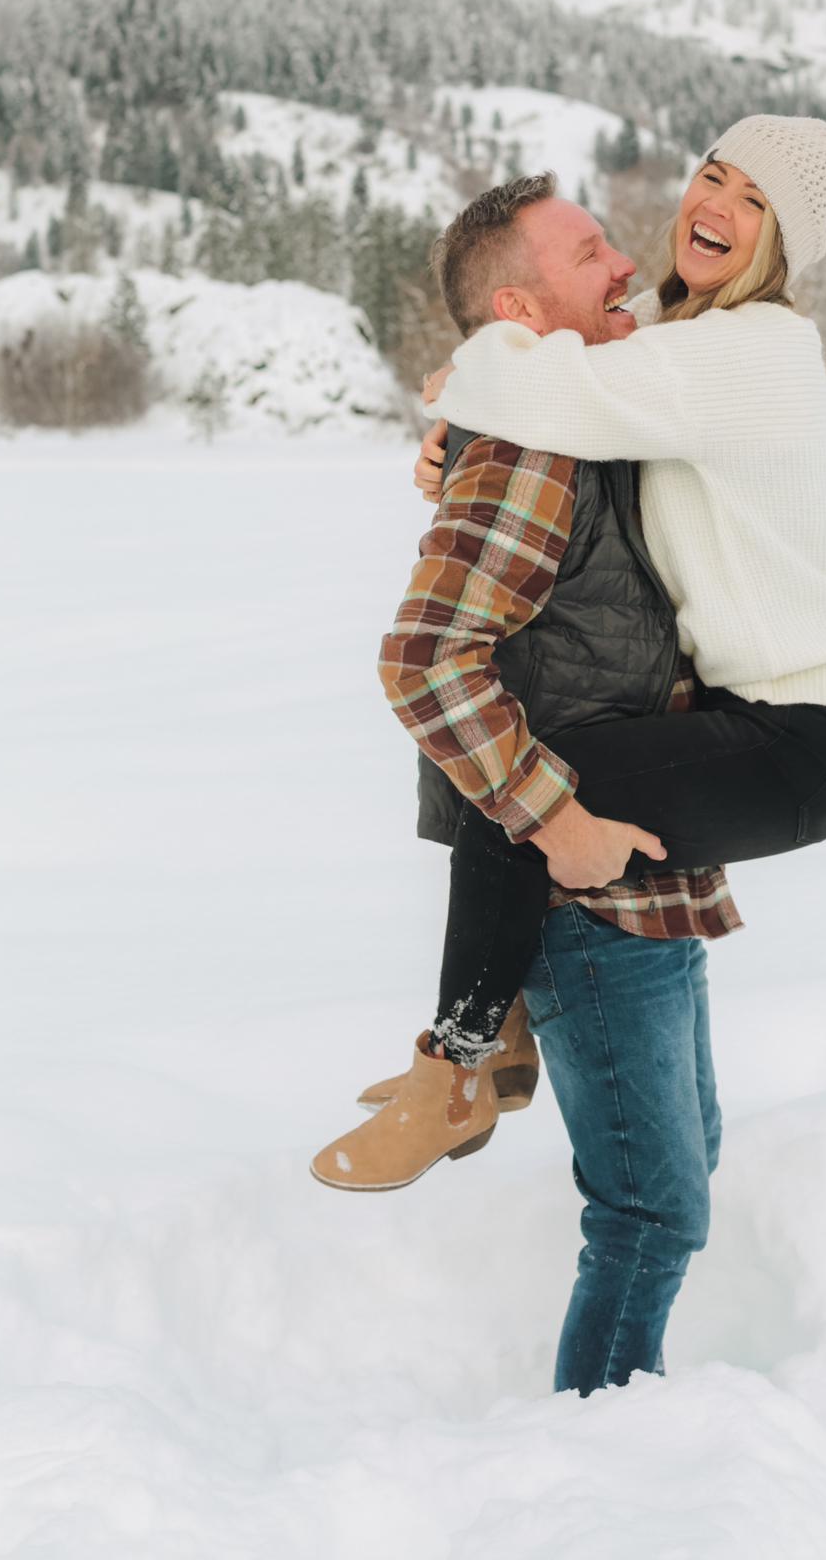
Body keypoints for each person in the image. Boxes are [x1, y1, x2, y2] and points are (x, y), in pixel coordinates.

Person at [313, 171, 739, 1397]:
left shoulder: (580, 405)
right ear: (518, 310)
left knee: (682, 1165)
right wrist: (556, 822)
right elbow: (424, 657)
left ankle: (616, 1432)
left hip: (643, 868)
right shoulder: (533, 441)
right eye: (589, 252)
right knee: (651, 1210)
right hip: (581, 889)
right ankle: (598, 1460)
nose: (624, 265)